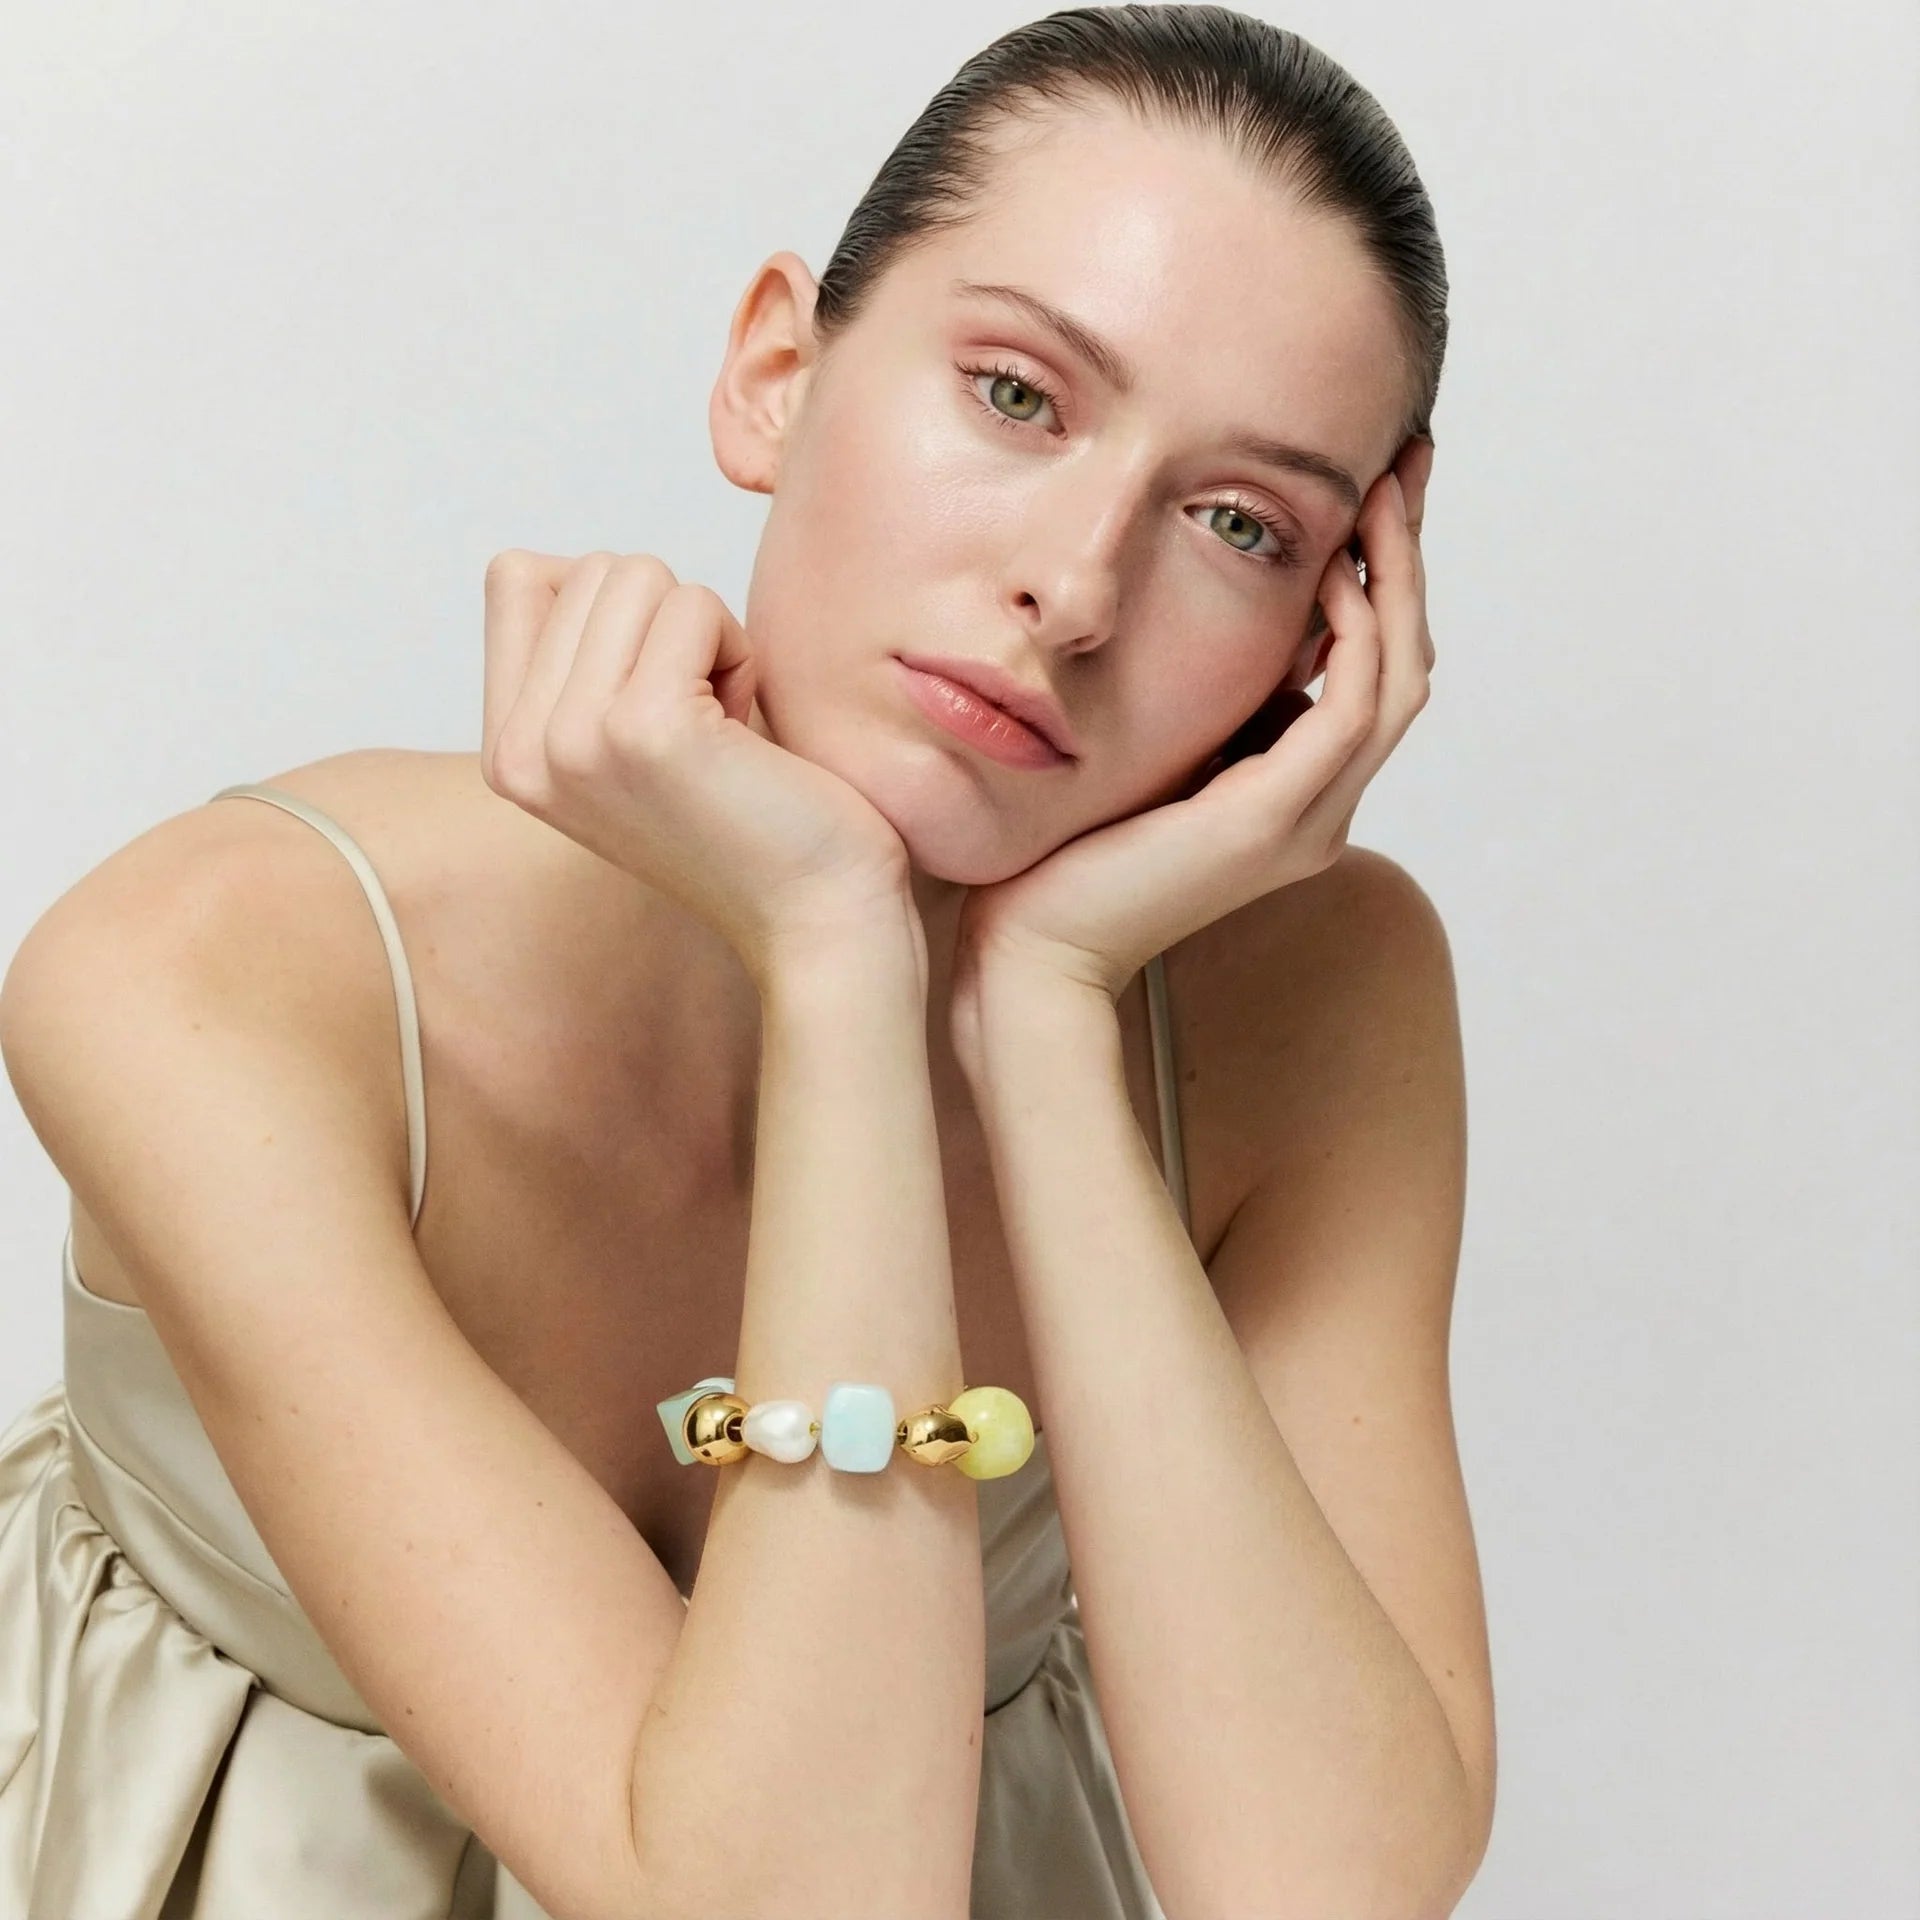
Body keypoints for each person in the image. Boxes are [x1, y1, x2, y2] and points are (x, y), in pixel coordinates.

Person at [0, 7, 1493, 1917]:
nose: (1077, 588)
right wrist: (832, 940)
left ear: (1329, 635)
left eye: (1238, 524)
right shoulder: (212, 972)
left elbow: (1328, 1890)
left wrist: (1039, 1019)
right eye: (1017, 395)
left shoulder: (1312, 1002)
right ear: (776, 373)